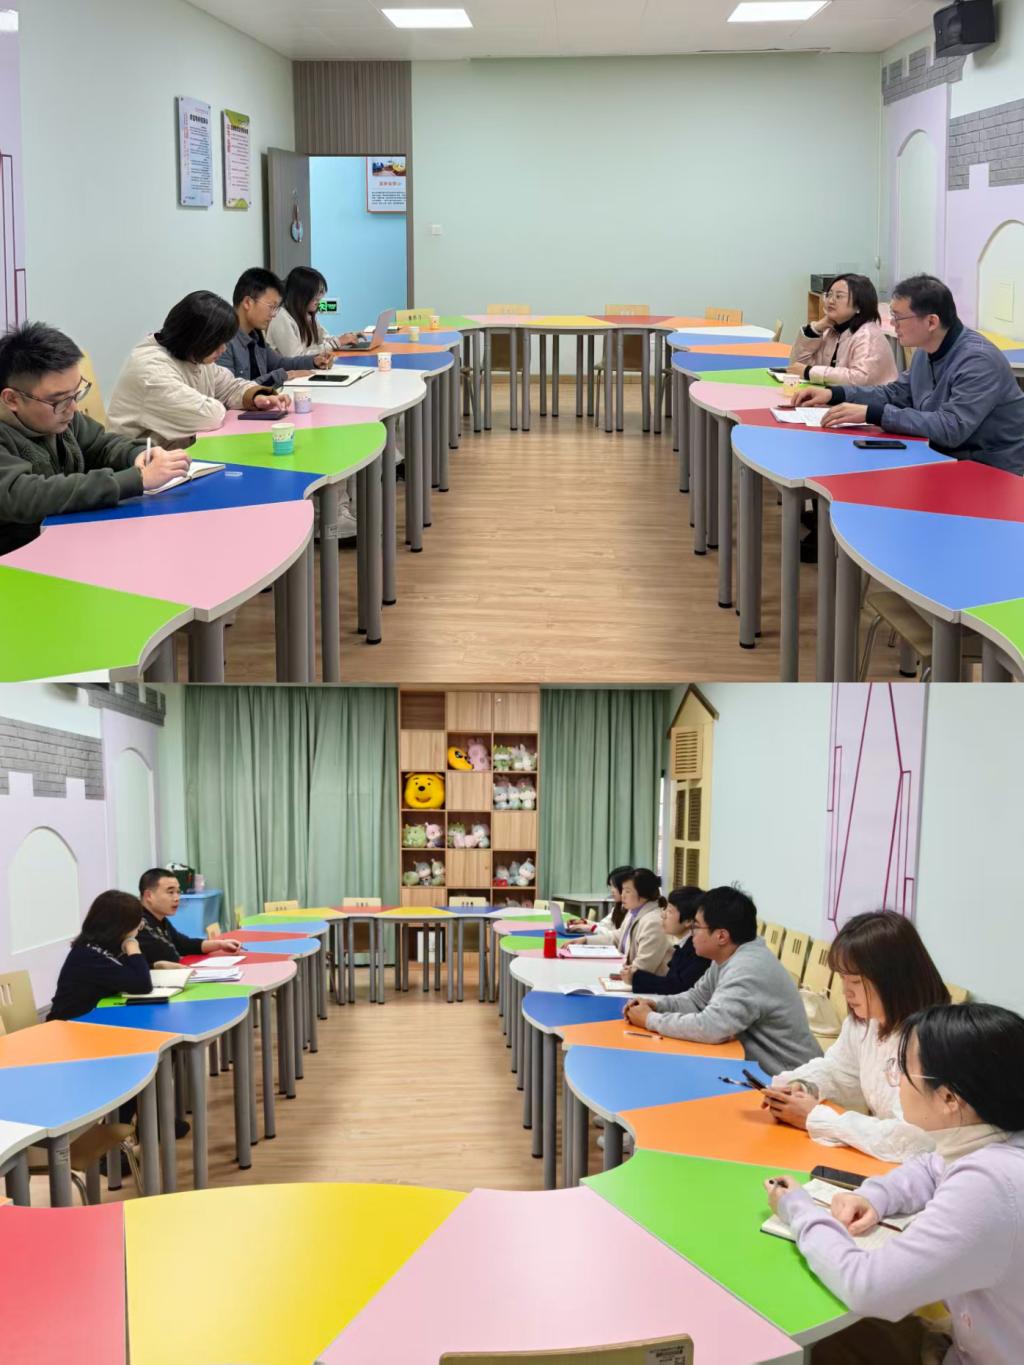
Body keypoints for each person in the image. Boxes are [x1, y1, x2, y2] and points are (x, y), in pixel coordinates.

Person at [765, 1002, 1024, 1365]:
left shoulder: (990, 1185)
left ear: (949, 1099)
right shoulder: (994, 1137)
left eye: (904, 1071)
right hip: (972, 1340)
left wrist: (800, 1212)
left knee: (831, 1343)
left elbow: (868, 1287)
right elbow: (931, 1166)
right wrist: (876, 1196)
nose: (897, 1080)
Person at [762, 911, 967, 1163]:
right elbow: (839, 1070)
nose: (845, 991)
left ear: (894, 978)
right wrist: (804, 1086)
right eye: (842, 978)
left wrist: (816, 1118)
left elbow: (915, 1138)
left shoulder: (935, 1039)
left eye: (856, 981)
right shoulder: (866, 1022)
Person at [794, 274, 1024, 474]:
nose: (893, 324)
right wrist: (834, 394)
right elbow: (896, 393)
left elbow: (951, 427)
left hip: (991, 469)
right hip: (945, 455)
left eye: (898, 317)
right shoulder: (927, 349)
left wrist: (872, 413)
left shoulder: (978, 361)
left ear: (931, 322)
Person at [0, 322, 189, 555]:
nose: (73, 408)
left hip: (64, 542)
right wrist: (136, 480)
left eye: (76, 393)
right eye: (59, 400)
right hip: (16, 558)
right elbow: (26, 495)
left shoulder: (60, 416)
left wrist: (138, 454)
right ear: (12, 399)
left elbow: (101, 445)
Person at [624, 886, 821, 1074]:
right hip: (760, 1070)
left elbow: (712, 1028)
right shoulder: (728, 957)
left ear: (721, 936)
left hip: (791, 1079)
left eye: (696, 926)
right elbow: (697, 999)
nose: (691, 933)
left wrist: (650, 1020)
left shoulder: (747, 969)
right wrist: (657, 1005)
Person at [107, 291, 290, 445]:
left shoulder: (194, 356)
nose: (223, 349)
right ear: (196, 337)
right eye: (217, 342)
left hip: (175, 458)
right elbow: (209, 416)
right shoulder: (151, 371)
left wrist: (255, 397)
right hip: (138, 467)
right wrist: (221, 405)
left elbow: (229, 386)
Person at [218, 267, 333, 387]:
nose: (273, 314)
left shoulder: (255, 334)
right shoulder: (223, 340)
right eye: (271, 307)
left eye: (276, 308)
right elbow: (230, 390)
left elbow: (279, 363)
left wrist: (314, 361)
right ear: (247, 302)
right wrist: (284, 375)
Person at [48, 890, 152, 1020]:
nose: (141, 926)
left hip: (91, 1019)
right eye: (138, 921)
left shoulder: (101, 946)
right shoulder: (90, 955)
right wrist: (132, 944)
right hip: (67, 1025)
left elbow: (131, 973)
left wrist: (153, 964)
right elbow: (142, 984)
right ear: (123, 926)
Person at [788, 274, 898, 387]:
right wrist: (815, 329)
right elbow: (796, 367)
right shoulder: (832, 329)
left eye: (839, 296)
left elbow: (859, 379)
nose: (830, 301)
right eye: (829, 295)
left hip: (867, 398)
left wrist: (809, 372)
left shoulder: (868, 335)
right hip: (830, 394)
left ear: (859, 306)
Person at [567, 867, 672, 975]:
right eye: (622, 890)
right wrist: (586, 940)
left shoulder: (653, 922)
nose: (623, 895)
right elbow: (617, 937)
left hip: (644, 983)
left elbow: (643, 968)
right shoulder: (633, 912)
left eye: (627, 891)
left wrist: (618, 974)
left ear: (643, 894)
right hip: (629, 974)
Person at [136, 868, 242, 966]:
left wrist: (220, 944)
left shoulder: (160, 918)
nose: (177, 898)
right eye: (171, 892)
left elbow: (183, 944)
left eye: (178, 892)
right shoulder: (137, 923)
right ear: (149, 895)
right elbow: (171, 956)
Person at [615, 886, 708, 995]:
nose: (663, 915)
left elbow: (679, 987)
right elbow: (671, 982)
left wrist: (636, 978)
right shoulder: (683, 945)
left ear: (688, 921)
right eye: (665, 909)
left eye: (670, 911)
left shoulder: (699, 950)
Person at [267, 266, 359, 357]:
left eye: (321, 292)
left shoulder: (307, 314)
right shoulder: (281, 317)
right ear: (301, 294)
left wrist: (347, 338)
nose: (319, 298)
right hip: (295, 367)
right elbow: (296, 358)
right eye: (316, 293)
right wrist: (337, 342)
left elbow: (323, 339)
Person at [592, 864, 634, 933]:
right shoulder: (619, 906)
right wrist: (585, 922)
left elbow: (618, 935)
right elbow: (603, 924)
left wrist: (591, 928)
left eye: (614, 886)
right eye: (611, 886)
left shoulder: (632, 910)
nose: (612, 890)